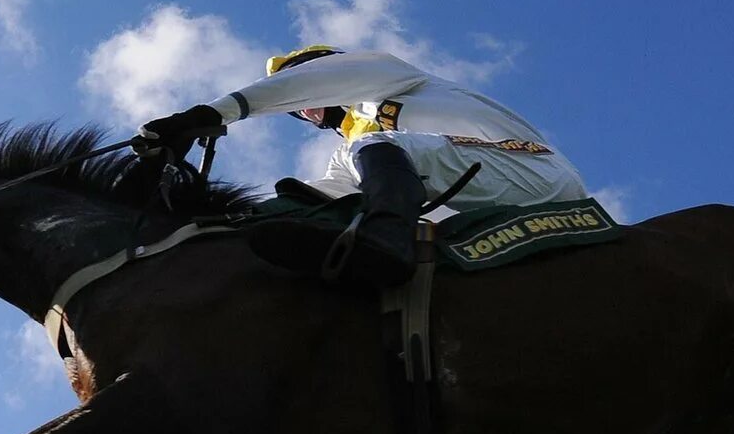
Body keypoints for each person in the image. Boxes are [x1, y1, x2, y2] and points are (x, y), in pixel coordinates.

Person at [134, 46, 587, 288]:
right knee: (331, 191)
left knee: (373, 146)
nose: (305, 110)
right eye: (299, 111)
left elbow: (317, 82)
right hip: (477, 212)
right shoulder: (359, 148)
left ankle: (386, 242)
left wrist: (209, 115)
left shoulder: (383, 74)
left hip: (529, 169)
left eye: (300, 98)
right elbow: (331, 192)